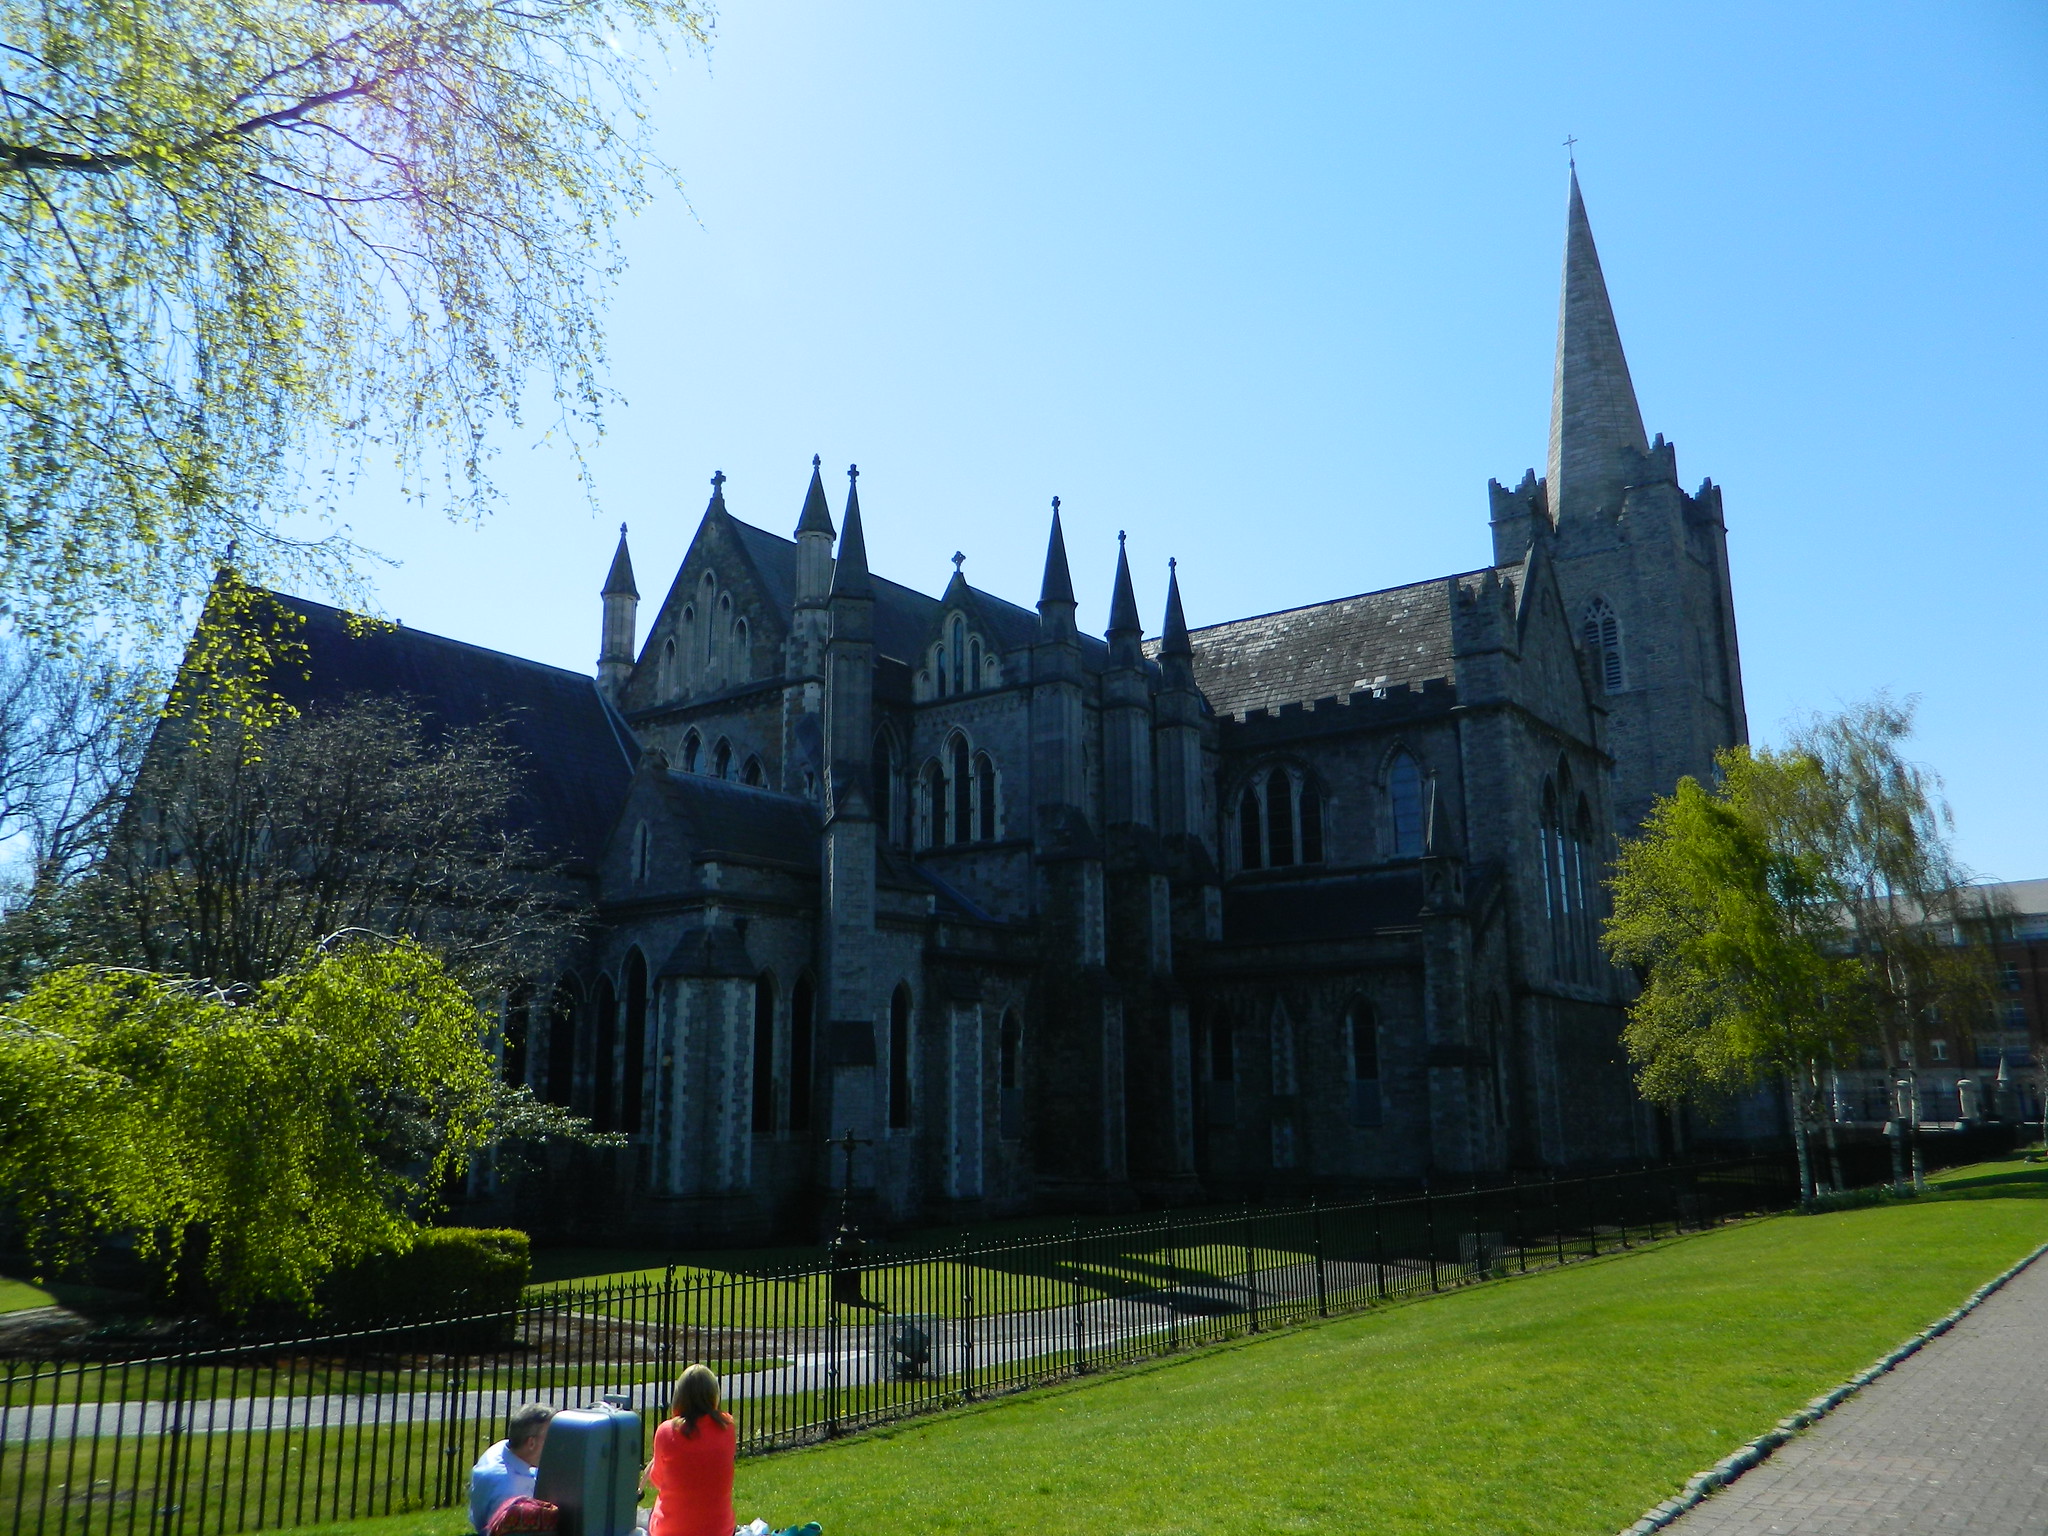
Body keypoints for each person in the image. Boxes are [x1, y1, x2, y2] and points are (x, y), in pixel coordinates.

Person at [642, 1365, 736, 1536]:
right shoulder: (727, 1427)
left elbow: (658, 1481)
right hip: (719, 1530)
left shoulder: (666, 1432)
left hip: (670, 1531)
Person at [469, 1402, 555, 1533]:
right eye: (551, 1437)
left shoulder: (500, 1449)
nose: (557, 1444)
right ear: (531, 1443)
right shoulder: (510, 1491)